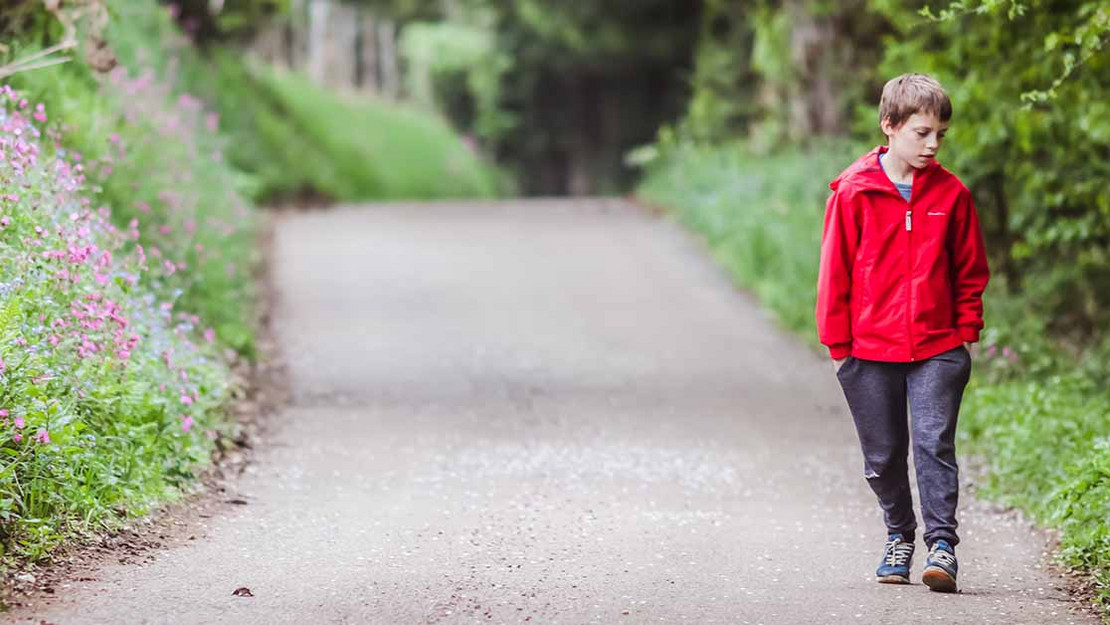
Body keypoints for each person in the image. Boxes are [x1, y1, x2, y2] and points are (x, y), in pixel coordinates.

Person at [815, 73, 990, 593]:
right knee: (883, 456)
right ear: (889, 126)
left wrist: (964, 330)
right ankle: (899, 534)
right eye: (921, 132)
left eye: (940, 134)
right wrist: (839, 346)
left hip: (937, 346)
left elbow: (970, 269)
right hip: (868, 350)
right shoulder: (853, 192)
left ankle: (942, 546)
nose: (932, 144)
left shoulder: (953, 196)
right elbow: (835, 271)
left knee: (933, 444)